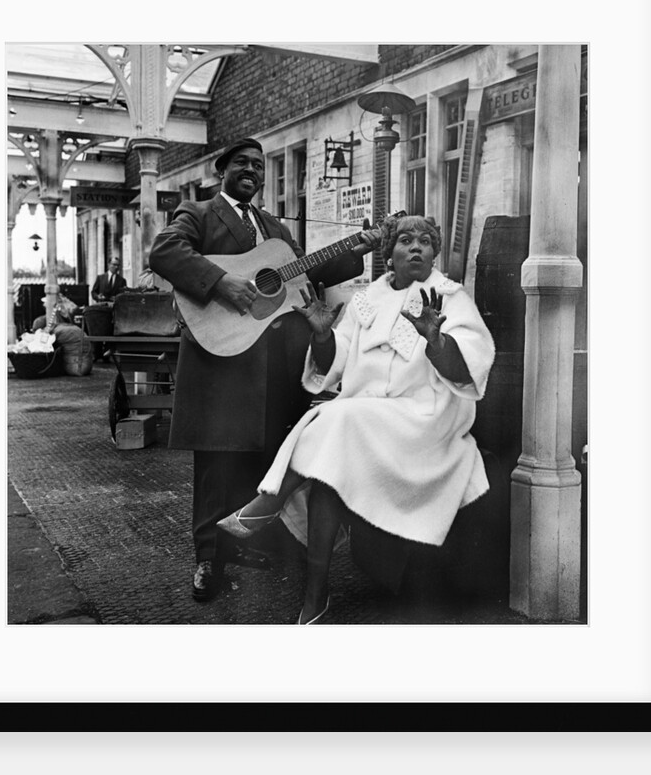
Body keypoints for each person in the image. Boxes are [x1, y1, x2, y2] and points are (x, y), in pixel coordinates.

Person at [216, 213, 496, 624]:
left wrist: (437, 341)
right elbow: (335, 361)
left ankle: (269, 503)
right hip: (366, 417)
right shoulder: (366, 301)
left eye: (424, 241)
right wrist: (322, 336)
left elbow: (471, 366)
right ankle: (316, 593)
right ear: (389, 254)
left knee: (338, 417)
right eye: (405, 240)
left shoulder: (451, 298)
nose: (416, 247)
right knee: (329, 471)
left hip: (424, 417)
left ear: (435, 253)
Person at [148, 137, 381, 602]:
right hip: (221, 360)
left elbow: (306, 272)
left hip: (273, 362)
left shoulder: (273, 228)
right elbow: (165, 252)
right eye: (242, 163)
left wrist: (358, 248)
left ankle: (243, 543)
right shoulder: (198, 213)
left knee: (263, 458)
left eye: (258, 164)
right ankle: (208, 557)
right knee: (216, 463)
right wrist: (221, 282)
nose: (252, 170)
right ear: (223, 170)